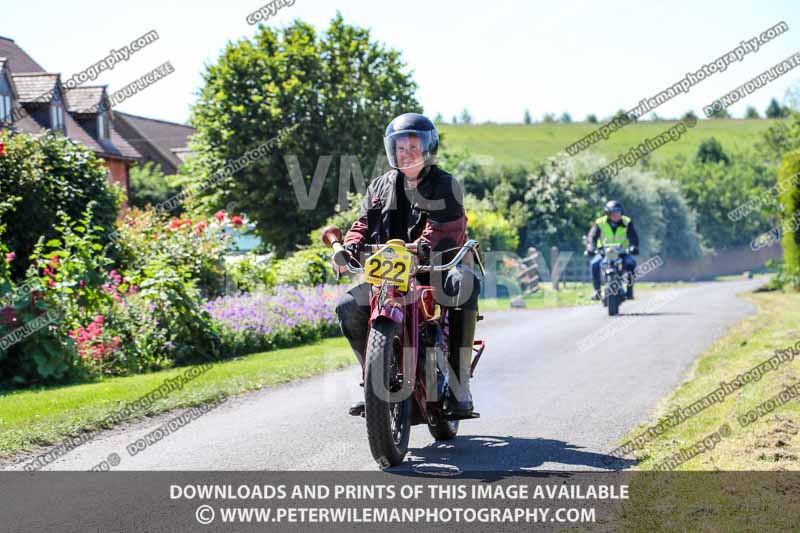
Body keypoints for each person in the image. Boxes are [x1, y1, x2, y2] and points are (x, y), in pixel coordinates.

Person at [334, 113, 481, 417]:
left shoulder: (445, 184)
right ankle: (373, 383)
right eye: (400, 148)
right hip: (393, 274)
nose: (406, 153)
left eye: (413, 146)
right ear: (392, 151)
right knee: (348, 305)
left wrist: (423, 247)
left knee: (465, 283)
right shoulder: (379, 186)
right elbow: (364, 223)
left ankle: (459, 383)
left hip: (436, 269)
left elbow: (447, 226)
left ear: (428, 148)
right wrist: (351, 245)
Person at [585, 200, 639, 300]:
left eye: (618, 212)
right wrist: (590, 248)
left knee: (631, 264)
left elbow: (633, 237)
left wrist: (633, 247)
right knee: (594, 264)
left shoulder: (627, 222)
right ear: (608, 213)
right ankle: (597, 292)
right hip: (604, 253)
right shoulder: (600, 222)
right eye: (613, 212)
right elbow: (592, 237)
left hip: (621, 253)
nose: (616, 214)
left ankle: (630, 291)